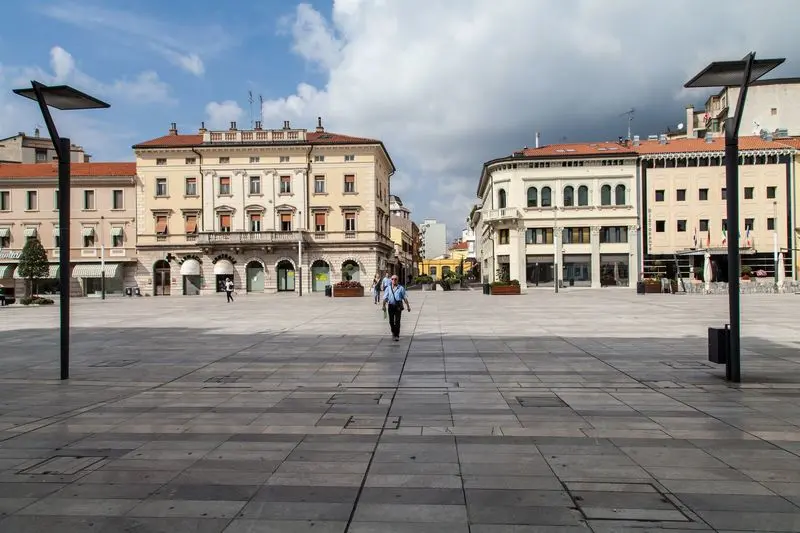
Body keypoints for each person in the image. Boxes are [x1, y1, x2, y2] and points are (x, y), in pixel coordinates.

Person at [382, 274, 410, 341]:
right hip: (390, 306)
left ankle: (397, 335)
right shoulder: (388, 288)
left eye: (395, 279)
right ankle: (393, 332)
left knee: (397, 321)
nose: (394, 280)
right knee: (391, 321)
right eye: (392, 279)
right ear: (391, 280)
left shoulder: (401, 288)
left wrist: (408, 306)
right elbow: (385, 298)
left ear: (397, 280)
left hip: (398, 306)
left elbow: (405, 298)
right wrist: (383, 306)